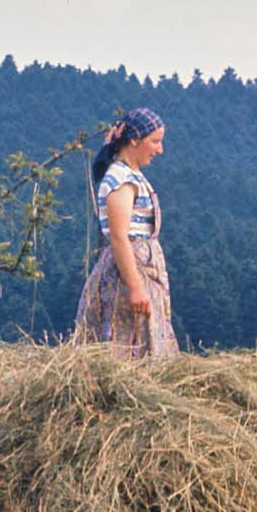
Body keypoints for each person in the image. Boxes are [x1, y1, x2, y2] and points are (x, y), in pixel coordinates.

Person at [74, 108, 178, 357]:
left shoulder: (131, 175)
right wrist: (135, 286)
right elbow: (119, 237)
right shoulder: (121, 178)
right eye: (154, 141)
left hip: (141, 268)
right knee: (127, 344)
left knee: (143, 340)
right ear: (134, 140)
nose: (159, 149)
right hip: (128, 272)